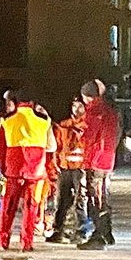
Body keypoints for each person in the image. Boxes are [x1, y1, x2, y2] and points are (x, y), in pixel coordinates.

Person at [0, 91, 53, 252]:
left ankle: (2, 240)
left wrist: (3, 168)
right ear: (32, 103)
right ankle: (26, 242)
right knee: (31, 207)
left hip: (13, 170)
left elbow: (0, 147)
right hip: (36, 171)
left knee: (7, 207)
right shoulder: (44, 121)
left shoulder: (6, 121)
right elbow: (51, 146)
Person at [77, 78, 119, 250]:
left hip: (96, 160)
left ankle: (99, 235)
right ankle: (107, 233)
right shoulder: (109, 111)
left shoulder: (94, 112)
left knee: (96, 199)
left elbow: (88, 137)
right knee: (102, 196)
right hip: (106, 158)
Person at [47, 98, 89, 243]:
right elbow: (56, 147)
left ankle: (82, 231)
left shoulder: (88, 126)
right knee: (61, 201)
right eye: (74, 106)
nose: (76, 109)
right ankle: (59, 230)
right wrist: (56, 164)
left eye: (80, 106)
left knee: (81, 200)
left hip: (81, 169)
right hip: (64, 168)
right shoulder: (63, 126)